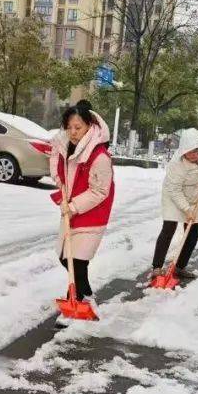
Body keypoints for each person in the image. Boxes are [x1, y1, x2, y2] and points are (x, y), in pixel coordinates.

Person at [49, 100, 115, 321]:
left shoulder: (99, 156)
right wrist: (61, 189)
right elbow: (58, 169)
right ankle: (85, 295)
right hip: (71, 209)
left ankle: (75, 304)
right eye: (69, 127)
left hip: (92, 213)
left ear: (90, 125)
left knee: (76, 260)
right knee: (65, 257)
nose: (73, 132)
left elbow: (100, 191)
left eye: (78, 127)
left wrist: (75, 205)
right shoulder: (66, 146)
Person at [152, 128, 198, 280]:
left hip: (196, 193)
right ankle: (157, 267)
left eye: (194, 151)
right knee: (169, 228)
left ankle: (180, 267)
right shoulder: (176, 165)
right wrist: (186, 209)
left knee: (193, 232)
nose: (191, 155)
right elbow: (174, 190)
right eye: (187, 152)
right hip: (174, 195)